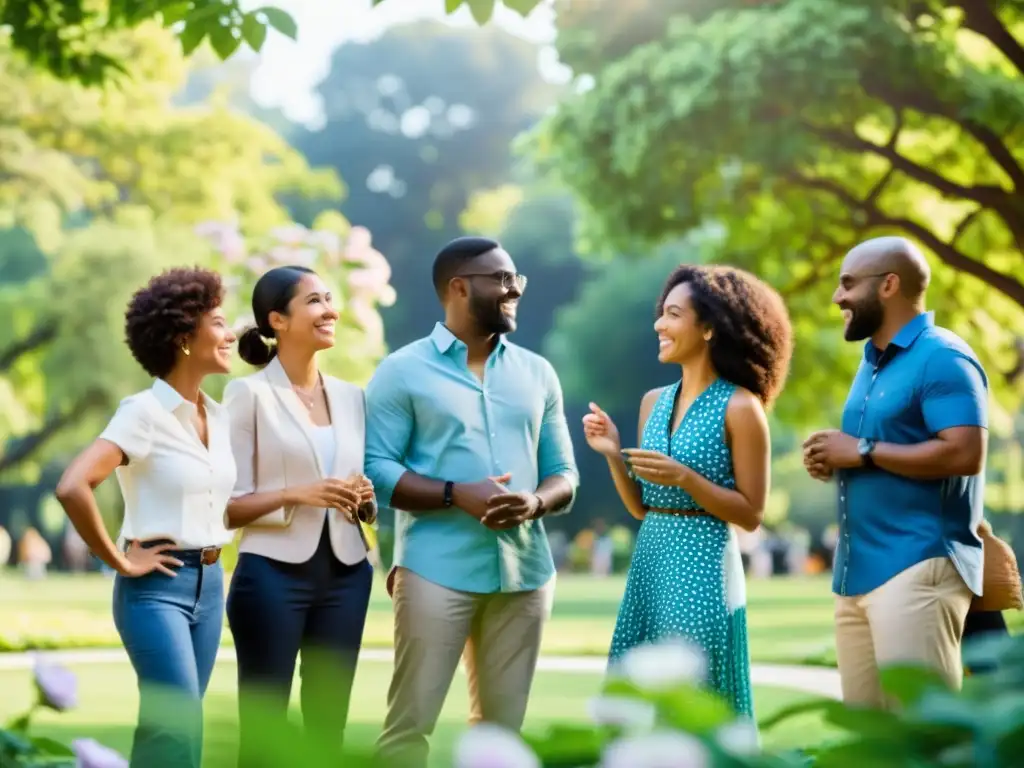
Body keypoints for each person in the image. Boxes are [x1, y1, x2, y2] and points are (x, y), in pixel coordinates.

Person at [364, 236, 578, 767]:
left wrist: (533, 502)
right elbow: (375, 469)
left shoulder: (538, 373)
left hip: (525, 574)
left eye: (516, 280)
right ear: (459, 287)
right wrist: (455, 494)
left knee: (501, 738)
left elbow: (564, 474)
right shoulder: (401, 371)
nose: (514, 291)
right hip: (435, 570)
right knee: (408, 728)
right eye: (502, 280)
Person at [583, 264, 792, 719]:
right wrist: (613, 453)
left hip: (702, 565)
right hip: (651, 558)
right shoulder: (651, 403)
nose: (659, 323)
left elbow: (751, 513)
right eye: (662, 312)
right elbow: (641, 508)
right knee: (637, 694)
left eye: (673, 314)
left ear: (711, 327)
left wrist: (688, 479)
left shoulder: (741, 407)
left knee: (691, 696)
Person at [54, 267, 237, 768]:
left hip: (211, 583)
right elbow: (73, 486)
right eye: (219, 323)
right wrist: (117, 558)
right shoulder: (143, 413)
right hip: (156, 589)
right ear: (183, 338)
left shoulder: (219, 417)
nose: (232, 333)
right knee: (175, 730)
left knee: (179, 733)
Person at [803, 236, 987, 708]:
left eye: (847, 284)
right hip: (856, 575)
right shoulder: (872, 364)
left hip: (917, 566)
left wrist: (861, 451)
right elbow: (880, 452)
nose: (836, 297)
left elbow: (965, 453)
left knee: (923, 738)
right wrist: (835, 459)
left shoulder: (943, 356)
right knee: (870, 743)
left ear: (889, 285)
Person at [223, 265, 376, 765]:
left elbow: (351, 499)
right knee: (265, 736)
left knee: (328, 730)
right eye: (314, 301)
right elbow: (228, 505)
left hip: (348, 573)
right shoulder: (247, 395)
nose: (331, 310)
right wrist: (299, 493)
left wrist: (363, 498)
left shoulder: (353, 398)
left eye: (330, 299)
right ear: (277, 319)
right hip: (271, 577)